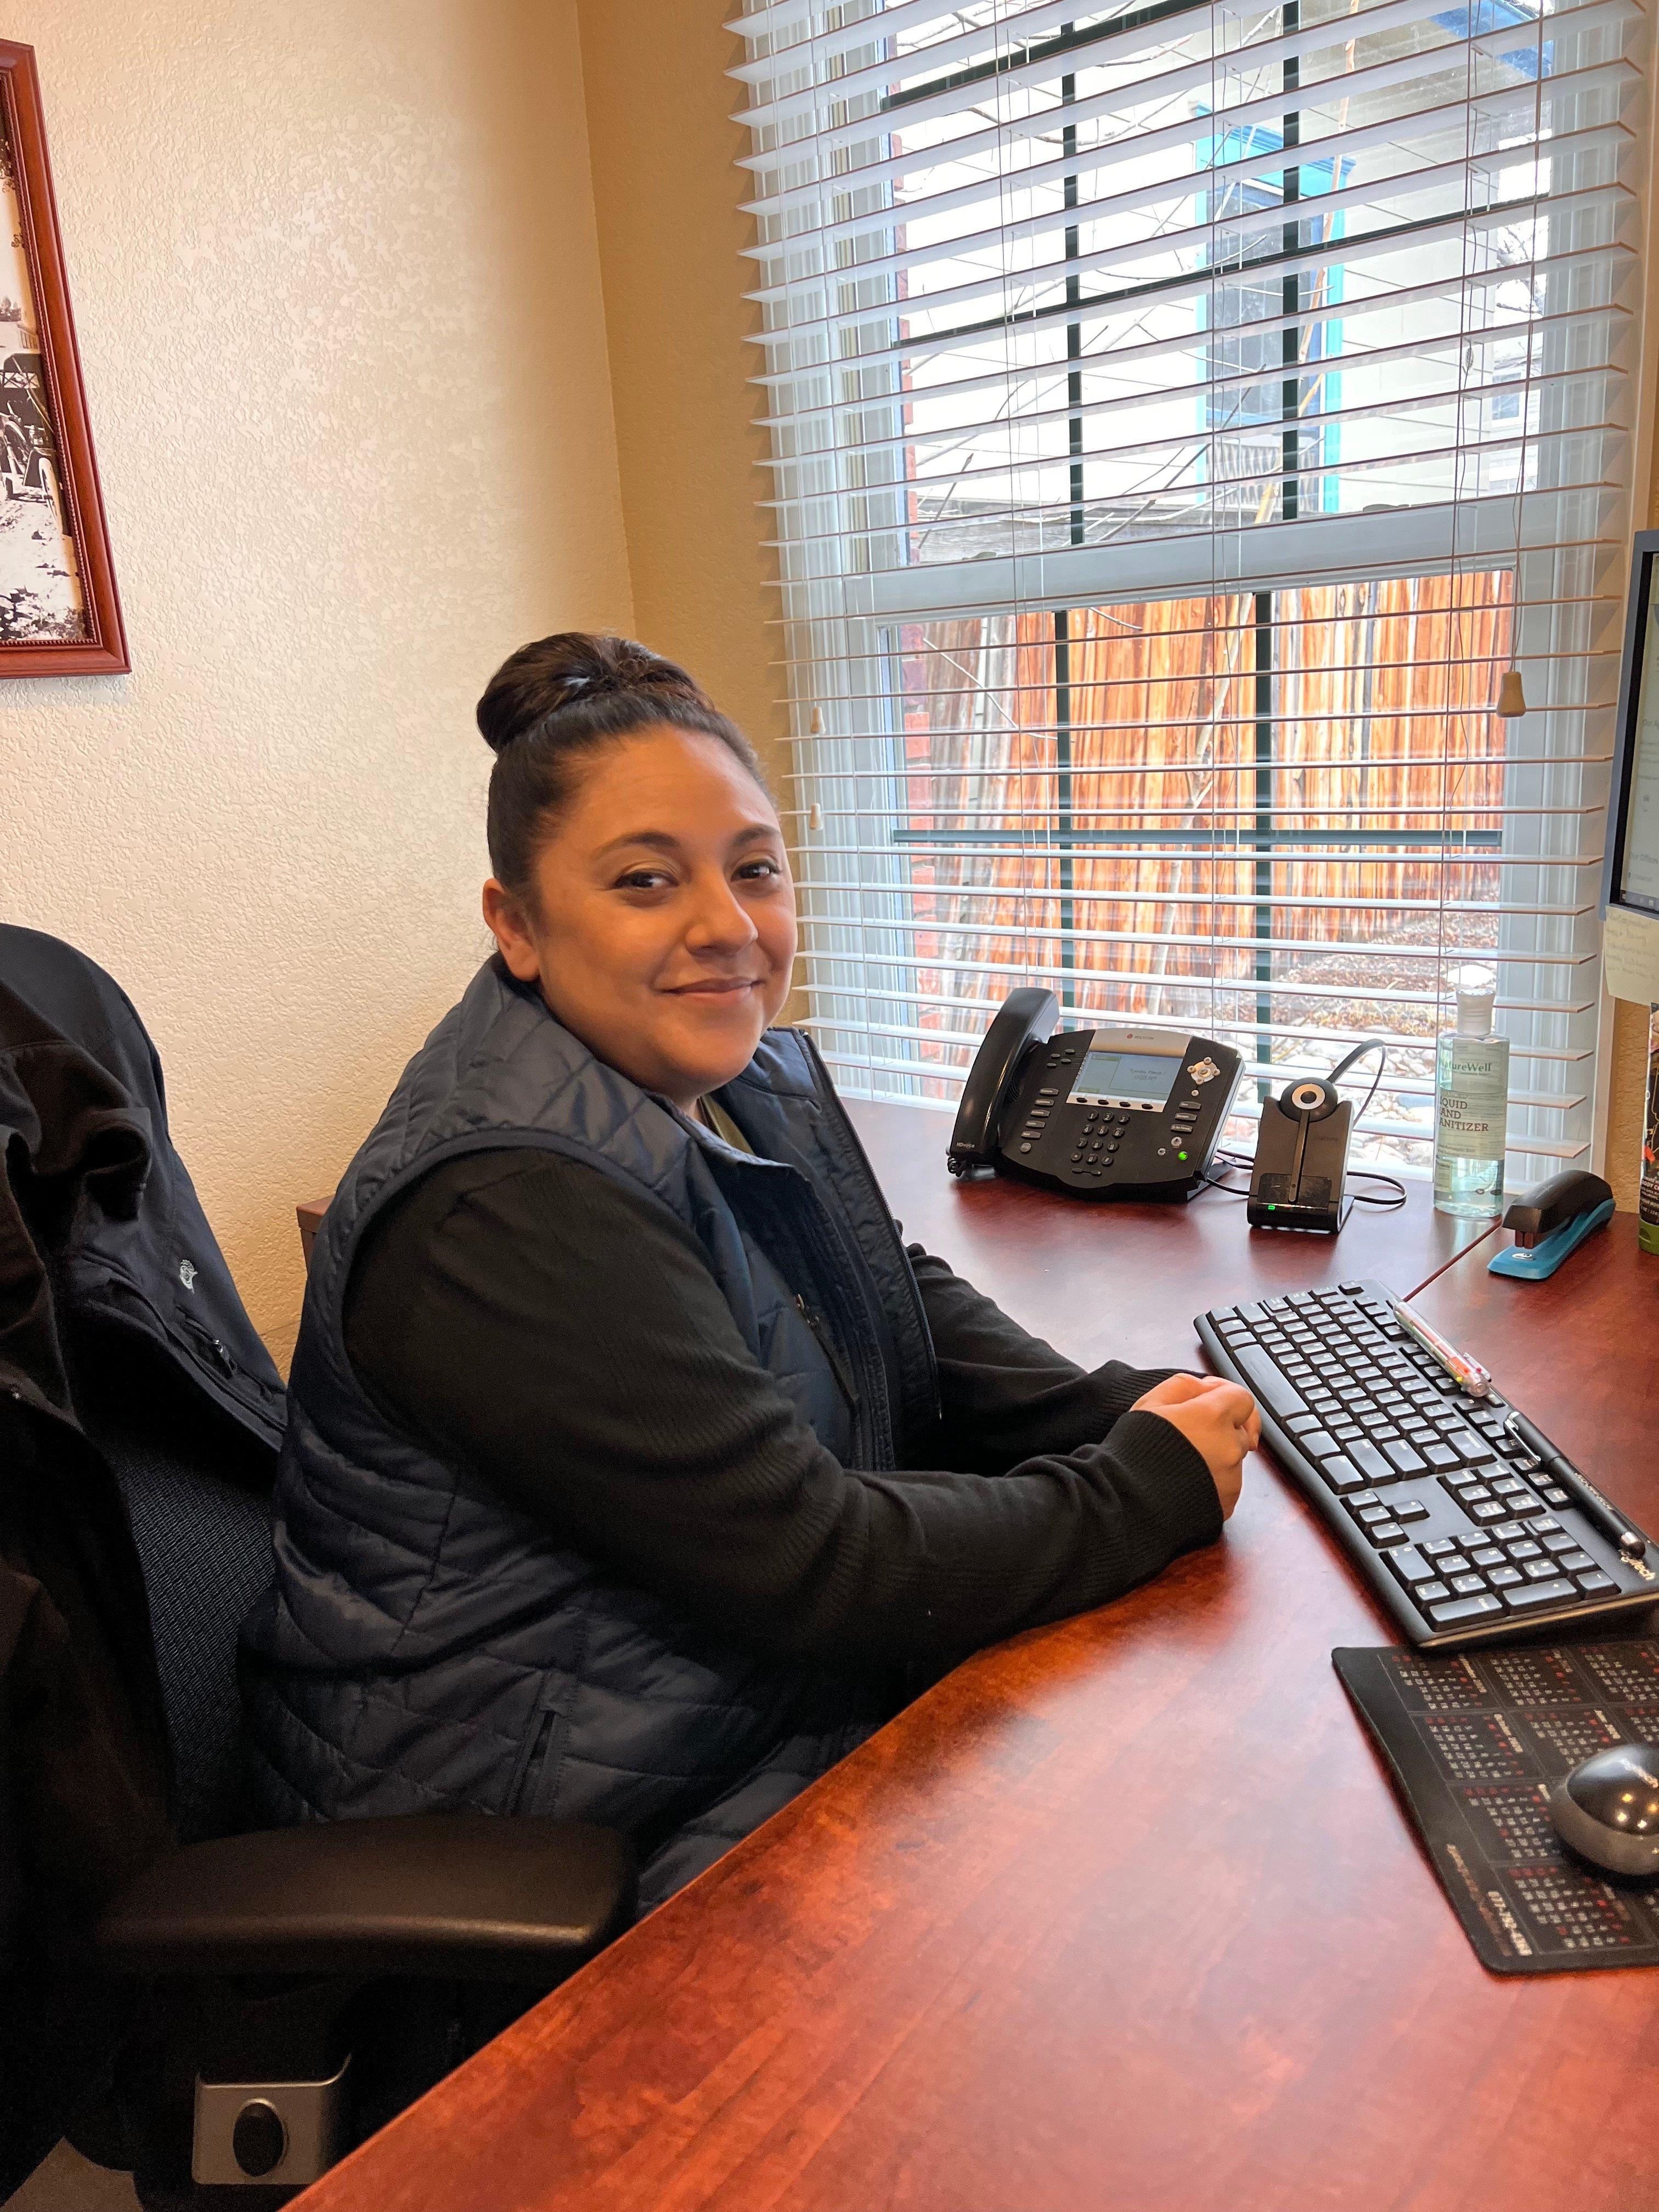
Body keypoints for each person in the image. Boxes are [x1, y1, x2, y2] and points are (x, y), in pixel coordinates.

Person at [241, 634, 1258, 1911]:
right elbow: (815, 1565)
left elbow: (884, 1293)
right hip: (544, 1833)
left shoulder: (737, 1070)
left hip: (732, 1723)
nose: (727, 929)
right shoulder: (501, 1207)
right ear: (519, 925)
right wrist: (1133, 1495)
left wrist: (1131, 1411)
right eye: (645, 881)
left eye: (756, 870)